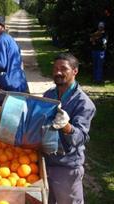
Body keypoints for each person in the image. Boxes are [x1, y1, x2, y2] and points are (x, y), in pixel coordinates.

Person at [43, 53, 96, 204]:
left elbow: (80, 137)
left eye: (63, 69)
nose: (58, 72)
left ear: (75, 71)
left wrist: (66, 126)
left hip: (66, 166)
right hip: (45, 160)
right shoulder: (49, 95)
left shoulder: (84, 103)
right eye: (55, 68)